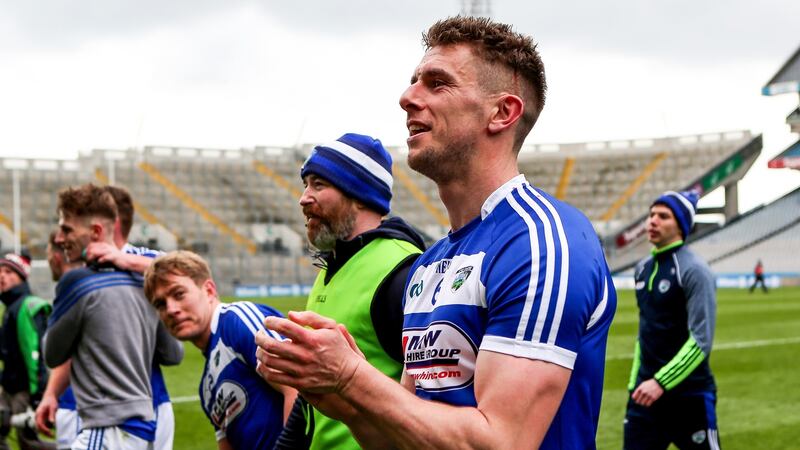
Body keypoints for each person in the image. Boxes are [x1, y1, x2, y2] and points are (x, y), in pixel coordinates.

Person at [255, 16, 616, 450]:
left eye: (437, 83)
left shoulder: (540, 242)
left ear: (502, 112)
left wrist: (352, 375)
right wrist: (341, 395)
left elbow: (505, 441)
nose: (408, 98)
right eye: (413, 82)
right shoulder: (430, 264)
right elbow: (399, 436)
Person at [274, 133, 425, 449]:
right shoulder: (332, 266)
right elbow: (311, 392)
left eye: (318, 185)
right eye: (306, 185)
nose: (303, 197)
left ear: (359, 194)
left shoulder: (402, 272)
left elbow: (429, 403)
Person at [43, 183, 184, 450]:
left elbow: (54, 353)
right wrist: (52, 393)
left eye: (66, 229)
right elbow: (172, 353)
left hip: (113, 422)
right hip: (148, 417)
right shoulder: (146, 275)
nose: (59, 238)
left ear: (99, 229)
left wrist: (126, 261)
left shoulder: (137, 265)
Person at [143, 251, 296, 450]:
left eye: (179, 294)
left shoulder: (235, 320)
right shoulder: (206, 388)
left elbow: (297, 387)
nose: (171, 309)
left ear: (209, 290)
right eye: (160, 304)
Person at [625, 190, 721, 449]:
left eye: (663, 216)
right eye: (651, 214)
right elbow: (644, 333)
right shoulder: (642, 268)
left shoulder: (695, 271)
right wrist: (636, 382)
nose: (652, 221)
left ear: (680, 225)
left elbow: (701, 341)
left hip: (690, 395)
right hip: (644, 395)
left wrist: (660, 382)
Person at [0, 253, 52, 450]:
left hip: (25, 389)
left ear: (21, 276)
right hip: (8, 388)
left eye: (8, 272)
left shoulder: (28, 306)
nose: (2, 276)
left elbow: (36, 353)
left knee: (28, 443)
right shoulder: (10, 308)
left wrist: (38, 393)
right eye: (0, 272)